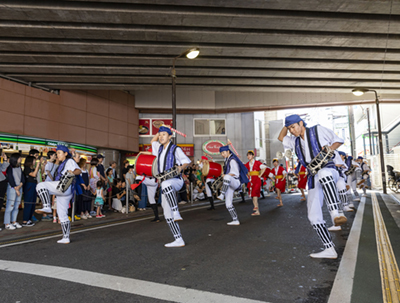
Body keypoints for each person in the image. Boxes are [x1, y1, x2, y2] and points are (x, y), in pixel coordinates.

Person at [278, 114, 346, 259]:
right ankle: (329, 249)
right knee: (313, 215)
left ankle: (336, 213)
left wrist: (329, 150)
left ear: (301, 123)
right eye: (289, 128)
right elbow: (280, 138)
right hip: (312, 176)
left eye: (293, 126)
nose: (291, 130)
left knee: (324, 174)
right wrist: (287, 123)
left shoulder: (317, 130)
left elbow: (339, 140)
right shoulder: (294, 141)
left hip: (329, 169)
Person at [151, 125, 191, 247]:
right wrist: (161, 129)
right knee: (167, 214)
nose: (161, 137)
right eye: (160, 134)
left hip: (176, 181)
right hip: (165, 185)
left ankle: (176, 211)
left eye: (164, 134)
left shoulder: (175, 149)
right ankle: (178, 239)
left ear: (170, 136)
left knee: (166, 183)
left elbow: (186, 161)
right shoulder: (158, 148)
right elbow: (152, 141)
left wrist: (180, 167)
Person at [35, 145, 82, 244]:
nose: (57, 155)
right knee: (62, 215)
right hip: (64, 191)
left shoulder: (69, 161)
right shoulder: (62, 163)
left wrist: (72, 172)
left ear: (65, 153)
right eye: (57, 153)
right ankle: (66, 237)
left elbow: (78, 170)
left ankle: (47, 207)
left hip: (64, 186)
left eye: (59, 153)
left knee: (40, 185)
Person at [217, 145, 249, 225]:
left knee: (227, 176)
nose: (222, 154)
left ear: (228, 151)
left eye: (223, 152)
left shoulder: (232, 160)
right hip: (229, 183)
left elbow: (235, 173)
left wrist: (225, 175)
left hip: (235, 181)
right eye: (221, 153)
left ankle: (222, 194)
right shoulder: (227, 159)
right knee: (228, 204)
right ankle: (235, 220)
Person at [4, 153, 25, 230]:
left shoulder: (19, 167)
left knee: (16, 206)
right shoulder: (9, 168)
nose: (21, 159)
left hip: (19, 188)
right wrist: (16, 188)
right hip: (12, 188)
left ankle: (13, 221)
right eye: (20, 158)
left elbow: (22, 178)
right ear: (15, 159)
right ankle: (7, 223)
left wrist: (19, 186)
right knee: (10, 206)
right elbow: (10, 179)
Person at [22, 156, 45, 226]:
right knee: (28, 203)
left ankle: (29, 219)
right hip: (29, 186)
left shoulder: (32, 168)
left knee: (32, 203)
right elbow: (34, 174)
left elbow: (38, 173)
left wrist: (41, 165)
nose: (35, 162)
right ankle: (25, 221)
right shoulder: (27, 169)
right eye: (34, 160)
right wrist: (38, 166)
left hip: (34, 186)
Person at [245, 150, 267, 216]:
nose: (248, 156)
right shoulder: (247, 164)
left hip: (256, 179)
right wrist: (248, 176)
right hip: (251, 180)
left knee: (254, 193)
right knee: (252, 195)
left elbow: (264, 167)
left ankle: (255, 206)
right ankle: (257, 211)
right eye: (247, 155)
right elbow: (246, 172)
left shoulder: (257, 162)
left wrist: (260, 175)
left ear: (253, 156)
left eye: (250, 155)